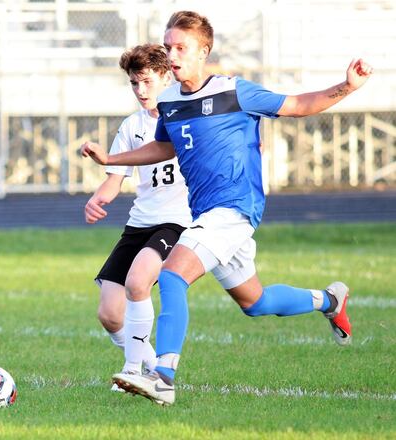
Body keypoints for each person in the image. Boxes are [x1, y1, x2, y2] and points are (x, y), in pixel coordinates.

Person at [81, 10, 371, 406]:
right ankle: (329, 300)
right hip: (209, 216)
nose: (173, 54)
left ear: (204, 51)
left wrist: (347, 87)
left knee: (171, 276)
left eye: (181, 47)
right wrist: (110, 161)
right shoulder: (169, 102)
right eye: (168, 47)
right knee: (255, 301)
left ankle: (162, 377)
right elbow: (164, 146)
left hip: (234, 208)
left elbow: (298, 104)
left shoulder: (234, 92)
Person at [85, 44, 191, 391]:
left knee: (137, 283)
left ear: (165, 75)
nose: (140, 90)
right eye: (134, 84)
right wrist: (97, 200)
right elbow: (115, 178)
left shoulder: (187, 117)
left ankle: (132, 370)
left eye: (146, 81)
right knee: (109, 313)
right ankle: (149, 365)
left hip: (176, 222)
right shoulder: (132, 125)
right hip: (139, 223)